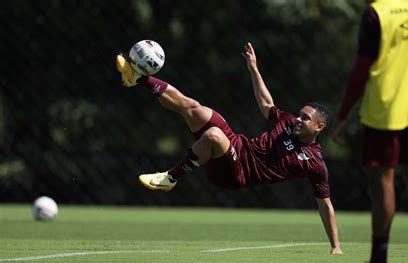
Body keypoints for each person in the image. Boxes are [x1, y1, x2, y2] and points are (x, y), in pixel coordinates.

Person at [116, 42, 343, 254]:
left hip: (237, 174)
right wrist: (253, 68)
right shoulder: (287, 122)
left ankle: (171, 177)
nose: (298, 119)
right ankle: (139, 79)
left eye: (305, 118)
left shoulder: (315, 162)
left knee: (213, 135)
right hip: (237, 145)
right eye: (300, 114)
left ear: (319, 127)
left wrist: (336, 246)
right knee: (195, 108)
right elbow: (267, 104)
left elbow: (325, 205)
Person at [331, 0, 408, 262]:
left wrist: (343, 113)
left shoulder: (376, 13)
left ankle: (379, 255)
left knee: (383, 185)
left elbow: (360, 71)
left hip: (384, 112)